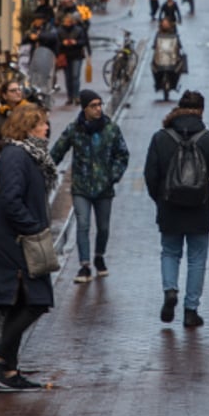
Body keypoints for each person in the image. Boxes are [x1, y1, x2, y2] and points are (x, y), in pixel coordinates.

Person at [0, 103, 57, 391]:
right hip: (15, 244)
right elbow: (11, 200)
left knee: (22, 303)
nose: (47, 128)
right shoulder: (16, 156)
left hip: (19, 240)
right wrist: (33, 227)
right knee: (35, 301)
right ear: (27, 128)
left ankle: (9, 372)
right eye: (41, 125)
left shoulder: (27, 155)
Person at [143, 90, 209, 328]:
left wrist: (159, 199)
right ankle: (191, 311)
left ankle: (170, 290)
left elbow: (150, 174)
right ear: (201, 110)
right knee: (197, 258)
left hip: (169, 206)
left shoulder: (160, 137)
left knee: (170, 251)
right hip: (199, 208)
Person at [50, 90, 130, 283]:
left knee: (103, 227)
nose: (98, 109)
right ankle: (84, 266)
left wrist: (113, 176)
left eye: (100, 104)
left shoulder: (111, 129)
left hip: (104, 188)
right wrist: (44, 168)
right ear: (84, 108)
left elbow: (122, 154)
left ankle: (99, 257)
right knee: (83, 224)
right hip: (81, 187)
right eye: (93, 105)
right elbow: (57, 152)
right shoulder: (74, 129)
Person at [55, 13, 89, 106]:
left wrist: (76, 42)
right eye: (67, 21)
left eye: (70, 21)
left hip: (76, 55)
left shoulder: (79, 30)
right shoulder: (59, 31)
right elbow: (56, 43)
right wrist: (63, 43)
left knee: (75, 76)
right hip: (65, 56)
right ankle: (70, 96)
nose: (68, 23)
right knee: (68, 77)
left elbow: (84, 41)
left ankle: (76, 96)